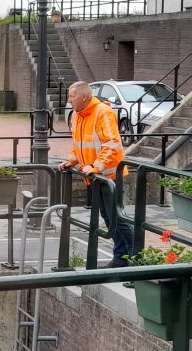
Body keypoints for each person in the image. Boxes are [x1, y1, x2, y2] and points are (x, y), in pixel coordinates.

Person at [59, 81, 133, 268]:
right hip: (95, 176)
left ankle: (136, 257)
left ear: (84, 96)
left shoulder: (102, 112)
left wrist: (96, 166)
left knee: (117, 218)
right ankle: (121, 257)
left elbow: (112, 144)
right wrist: (72, 160)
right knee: (108, 218)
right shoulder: (77, 116)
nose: (69, 100)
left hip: (109, 176)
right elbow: (79, 144)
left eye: (72, 96)